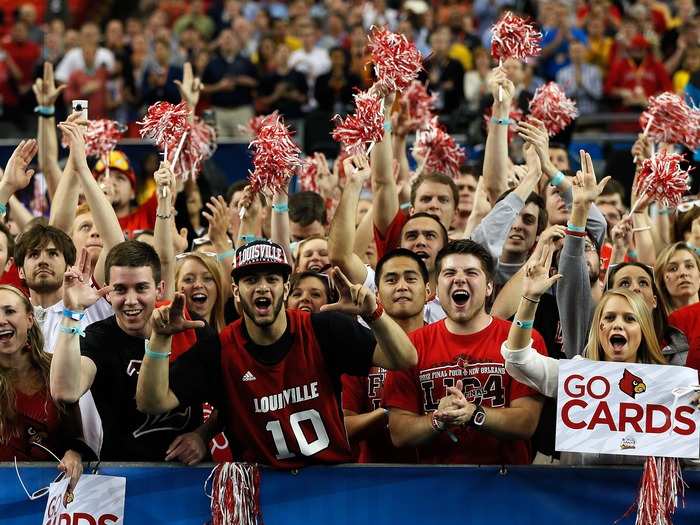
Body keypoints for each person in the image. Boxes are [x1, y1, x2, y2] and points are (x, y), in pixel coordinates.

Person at [135, 239, 417, 469]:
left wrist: (374, 313)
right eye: (250, 279)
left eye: (272, 278)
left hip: (328, 484)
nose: (262, 287)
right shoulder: (218, 349)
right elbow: (152, 403)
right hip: (259, 492)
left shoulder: (325, 329)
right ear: (235, 290)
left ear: (286, 287)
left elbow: (405, 360)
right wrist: (159, 339)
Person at [382, 240, 546, 464]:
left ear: (489, 287)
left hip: (506, 484)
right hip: (435, 486)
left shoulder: (523, 339)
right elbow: (399, 433)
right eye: (449, 273)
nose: (459, 279)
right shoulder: (410, 346)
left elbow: (526, 422)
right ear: (437, 289)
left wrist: (473, 413)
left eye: (471, 272)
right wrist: (437, 420)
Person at [50, 241, 209, 461]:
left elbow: (230, 398)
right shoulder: (99, 337)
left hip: (189, 475)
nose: (131, 300)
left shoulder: (191, 328)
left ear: (159, 289)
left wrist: (203, 434)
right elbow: (65, 392)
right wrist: (72, 311)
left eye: (141, 288)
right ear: (107, 292)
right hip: (123, 476)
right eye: (120, 289)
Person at [0, 285, 93, 491]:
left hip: (53, 493)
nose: (1, 320)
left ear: (30, 319)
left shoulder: (56, 369)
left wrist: (74, 453)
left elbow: (75, 436)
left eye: (10, 311)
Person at [343, 249, 428, 463]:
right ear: (377, 295)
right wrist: (391, 414)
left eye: (411, 278)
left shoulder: (446, 342)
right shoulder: (362, 348)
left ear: (428, 291)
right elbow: (342, 426)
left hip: (443, 473)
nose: (401, 286)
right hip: (375, 479)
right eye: (391, 280)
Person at [175, 252, 226, 332]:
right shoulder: (167, 336)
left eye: (207, 278)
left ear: (218, 287)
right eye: (188, 279)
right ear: (175, 287)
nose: (198, 285)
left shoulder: (230, 337)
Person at [654, 242, 700, 316]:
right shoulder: (658, 324)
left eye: (689, 266)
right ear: (662, 281)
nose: (683, 273)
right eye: (673, 269)